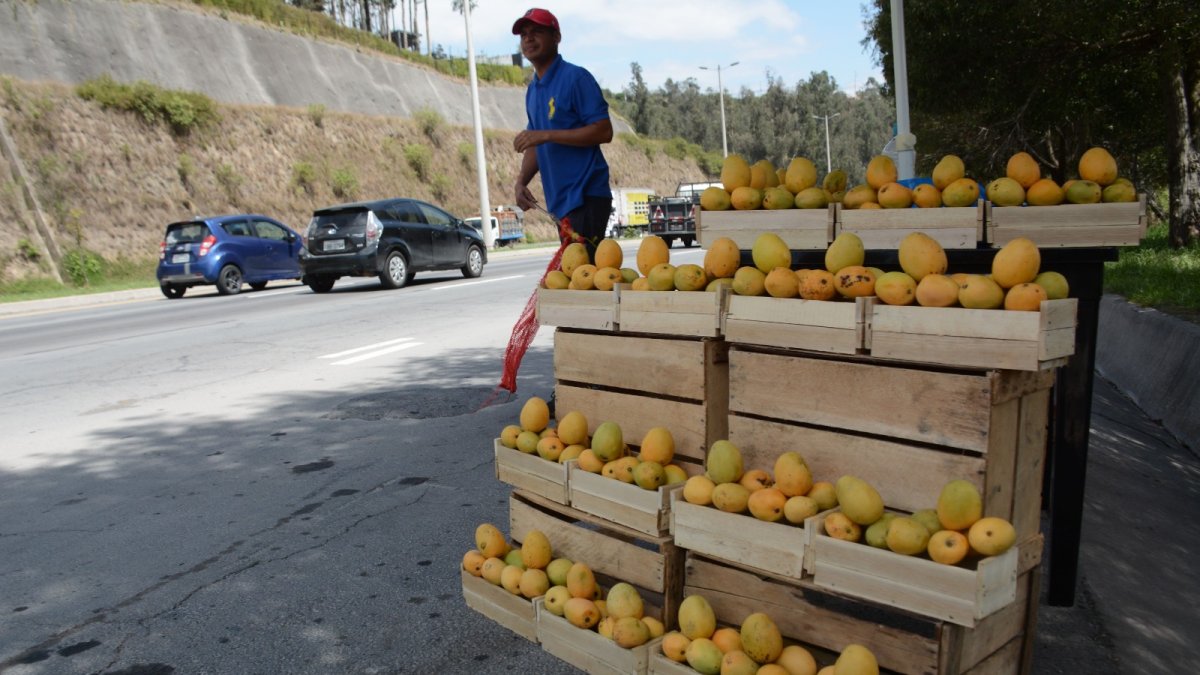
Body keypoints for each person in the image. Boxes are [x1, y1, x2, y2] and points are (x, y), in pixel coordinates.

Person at [512, 8, 613, 259]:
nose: (529, 38)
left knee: (584, 279)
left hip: (586, 196)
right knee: (576, 280)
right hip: (560, 203)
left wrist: (546, 135)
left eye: (537, 31)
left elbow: (604, 130)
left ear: (556, 37)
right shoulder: (533, 90)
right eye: (524, 34)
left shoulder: (576, 78)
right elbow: (535, 144)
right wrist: (521, 181)